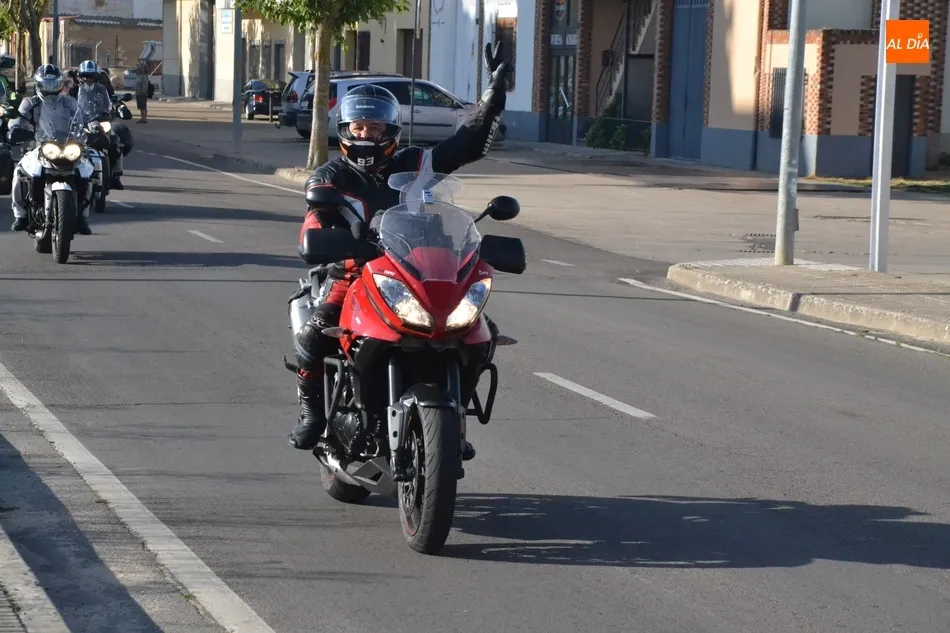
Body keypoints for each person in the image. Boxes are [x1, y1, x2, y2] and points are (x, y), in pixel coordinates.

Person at [287, 41, 512, 458]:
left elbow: (465, 145)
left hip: (412, 271)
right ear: (346, 130)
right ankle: (312, 415)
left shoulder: (414, 165)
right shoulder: (330, 175)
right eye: (359, 127)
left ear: (389, 131)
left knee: (480, 335)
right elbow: (316, 214)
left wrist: (494, 97)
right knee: (315, 334)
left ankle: (454, 419)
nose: (366, 134)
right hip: (353, 272)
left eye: (374, 128)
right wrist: (337, 240)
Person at [9, 64, 92, 235]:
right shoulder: (30, 103)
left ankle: (83, 216)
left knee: (88, 171)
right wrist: (15, 129)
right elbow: (17, 121)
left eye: (54, 84)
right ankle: (21, 215)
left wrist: (91, 128)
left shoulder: (70, 103)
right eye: (46, 84)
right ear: (38, 84)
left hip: (67, 146)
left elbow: (81, 120)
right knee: (19, 172)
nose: (50, 88)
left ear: (61, 84)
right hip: (39, 146)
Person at [77, 60, 131, 190]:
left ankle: (115, 175)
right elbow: (65, 103)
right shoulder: (73, 90)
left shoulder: (103, 89)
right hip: (79, 123)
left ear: (97, 77)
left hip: (100, 121)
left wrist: (119, 107)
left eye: (92, 77)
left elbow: (111, 100)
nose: (89, 80)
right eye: (85, 76)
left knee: (114, 141)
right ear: (80, 77)